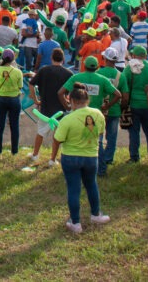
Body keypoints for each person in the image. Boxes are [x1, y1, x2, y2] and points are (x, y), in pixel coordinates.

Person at [49, 82, 111, 234]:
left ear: (71, 100)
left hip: (71, 157)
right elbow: (100, 132)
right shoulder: (98, 114)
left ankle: (76, 222)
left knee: (73, 188)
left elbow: (58, 139)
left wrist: (53, 157)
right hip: (91, 156)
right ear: (87, 100)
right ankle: (96, 214)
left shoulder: (67, 119)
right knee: (91, 185)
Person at [26, 48, 72, 164]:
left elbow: (31, 84)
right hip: (61, 109)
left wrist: (36, 99)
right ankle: (52, 159)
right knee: (58, 135)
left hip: (45, 108)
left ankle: (35, 154)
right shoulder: (68, 74)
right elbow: (72, 91)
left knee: (40, 132)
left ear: (52, 58)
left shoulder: (44, 70)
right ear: (63, 59)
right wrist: (68, 103)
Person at [0, 49, 23, 155]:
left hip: (0, 99)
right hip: (14, 99)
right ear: (13, 58)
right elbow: (20, 86)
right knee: (15, 126)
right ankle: (14, 151)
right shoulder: (18, 72)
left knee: (0, 125)